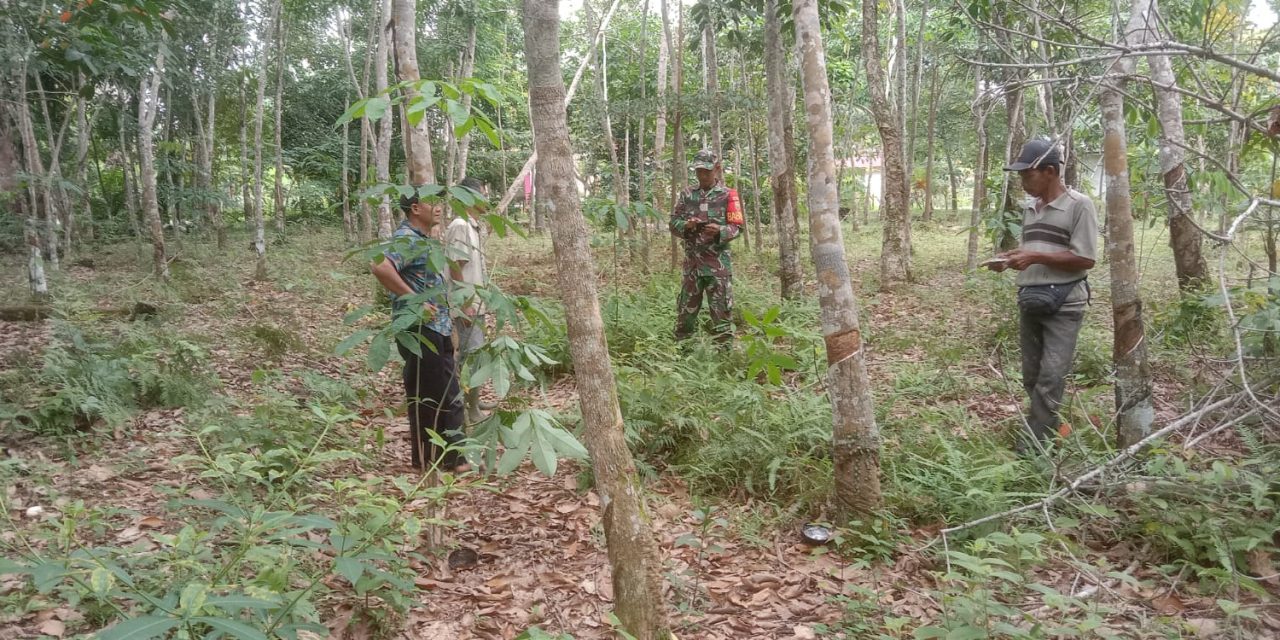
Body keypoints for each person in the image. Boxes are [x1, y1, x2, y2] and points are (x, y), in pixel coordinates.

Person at [986, 139, 1098, 454]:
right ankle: (1048, 427)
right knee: (1031, 375)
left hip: (1065, 303)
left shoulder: (1079, 205)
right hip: (1031, 297)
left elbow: (1086, 258)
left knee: (1051, 375)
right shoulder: (1029, 209)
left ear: (1050, 171)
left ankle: (1033, 448)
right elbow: (1035, 251)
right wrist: (1012, 259)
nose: (1022, 182)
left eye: (1027, 175)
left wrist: (1034, 257)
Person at [370, 191, 469, 473]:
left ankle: (444, 458)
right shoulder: (406, 239)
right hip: (418, 329)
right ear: (415, 208)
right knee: (432, 394)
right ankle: (438, 461)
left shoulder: (426, 239)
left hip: (436, 326)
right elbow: (379, 265)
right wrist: (414, 299)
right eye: (432, 204)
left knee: (443, 391)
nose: (439, 208)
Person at [669, 149, 744, 342]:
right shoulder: (687, 195)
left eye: (707, 171)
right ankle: (683, 354)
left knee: (721, 315)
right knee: (685, 313)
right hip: (692, 266)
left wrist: (720, 231)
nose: (702, 175)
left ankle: (725, 358)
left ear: (717, 169)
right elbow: (673, 224)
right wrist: (686, 226)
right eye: (699, 171)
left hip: (717, 266)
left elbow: (737, 227)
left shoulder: (728, 195)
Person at [445, 176, 490, 425]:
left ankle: (475, 399)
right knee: (471, 356)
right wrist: (464, 304)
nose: (487, 199)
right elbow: (455, 266)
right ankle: (467, 408)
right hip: (467, 305)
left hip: (475, 302)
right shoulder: (461, 225)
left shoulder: (472, 226)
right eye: (483, 193)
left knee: (476, 353)